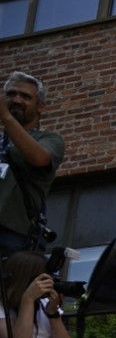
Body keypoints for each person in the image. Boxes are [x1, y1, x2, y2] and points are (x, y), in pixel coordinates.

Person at [0, 71, 65, 257]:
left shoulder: (50, 139)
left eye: (25, 96)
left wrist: (6, 118)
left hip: (13, 236)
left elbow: (39, 158)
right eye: (11, 94)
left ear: (41, 106)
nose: (17, 100)